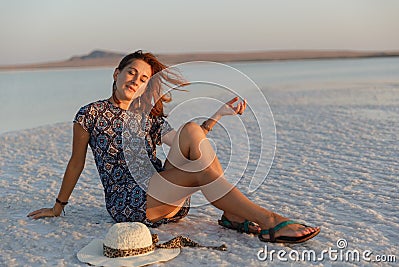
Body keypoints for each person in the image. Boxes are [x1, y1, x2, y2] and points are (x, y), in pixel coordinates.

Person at [28, 50, 320, 243]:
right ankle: (267, 220)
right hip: (130, 203)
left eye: (143, 79)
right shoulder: (88, 114)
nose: (136, 81)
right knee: (198, 172)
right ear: (116, 73)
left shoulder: (147, 117)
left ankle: (236, 214)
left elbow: (192, 142)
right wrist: (58, 206)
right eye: (131, 73)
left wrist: (218, 114)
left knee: (192, 130)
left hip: (164, 192)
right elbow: (76, 162)